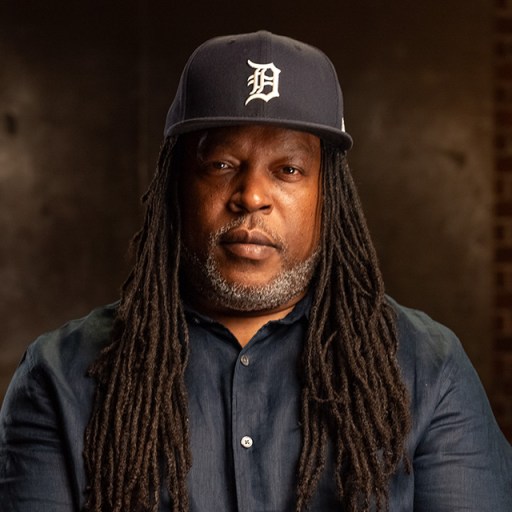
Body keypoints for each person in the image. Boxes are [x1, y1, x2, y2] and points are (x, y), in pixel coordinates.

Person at [0, 30, 511, 512]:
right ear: (178, 185)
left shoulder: (429, 368)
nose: (251, 196)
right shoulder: (59, 376)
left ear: (328, 195)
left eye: (288, 170)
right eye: (222, 164)